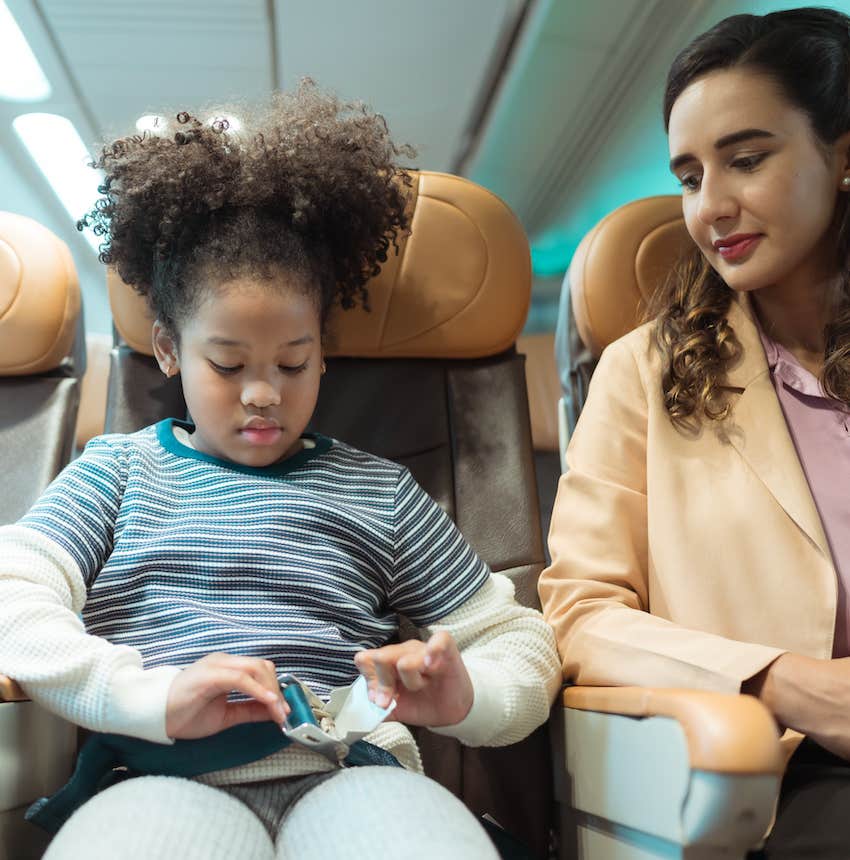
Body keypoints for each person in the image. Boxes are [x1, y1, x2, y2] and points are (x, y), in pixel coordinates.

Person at [0, 81, 560, 859]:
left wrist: (470, 694)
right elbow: (11, 594)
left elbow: (521, 644)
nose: (263, 394)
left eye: (293, 363)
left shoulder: (382, 493)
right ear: (168, 349)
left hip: (349, 773)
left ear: (323, 350)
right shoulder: (117, 473)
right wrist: (148, 695)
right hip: (160, 779)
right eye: (227, 364)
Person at [539, 8, 850, 858]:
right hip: (790, 771)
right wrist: (786, 683)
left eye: (747, 160)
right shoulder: (643, 372)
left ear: (843, 154)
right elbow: (580, 617)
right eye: (688, 176)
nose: (712, 205)